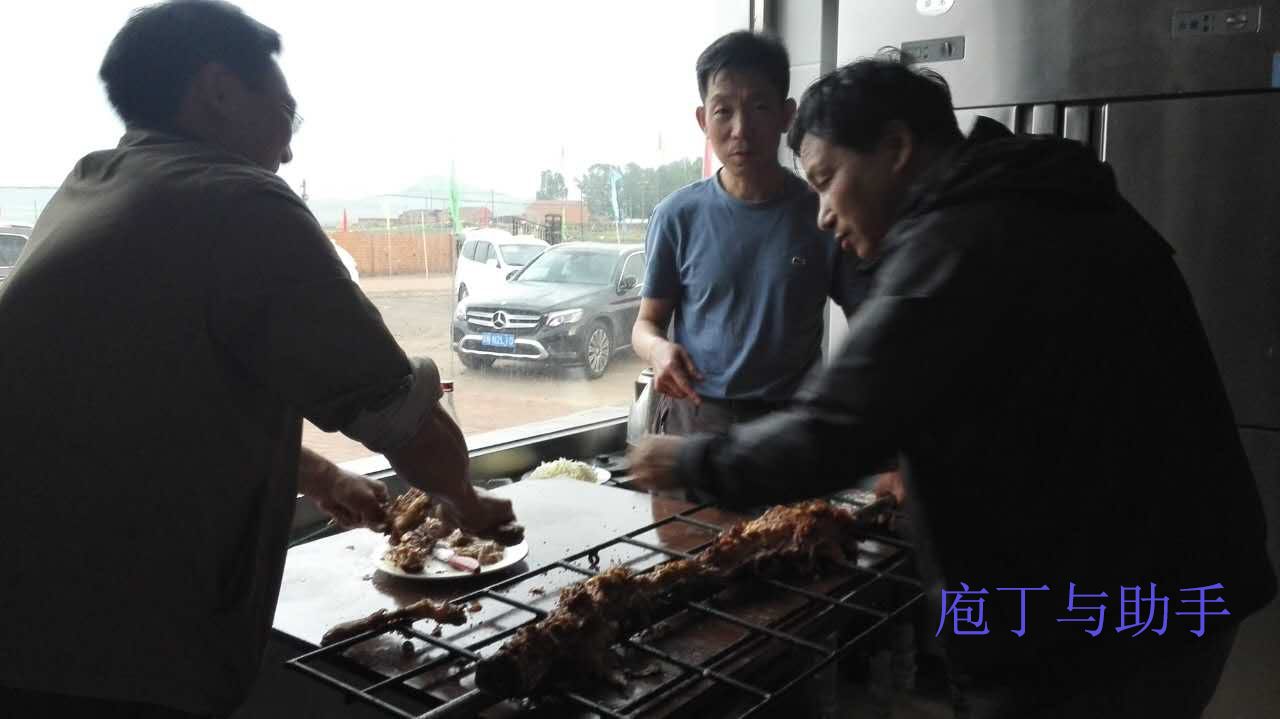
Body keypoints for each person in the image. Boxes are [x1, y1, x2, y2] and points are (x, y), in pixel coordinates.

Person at [631, 57, 1276, 717]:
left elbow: (836, 425)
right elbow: (1013, 383)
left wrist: (683, 459)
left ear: (897, 150)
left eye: (827, 180)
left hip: (1105, 619)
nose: (822, 214)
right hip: (1182, 580)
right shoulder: (1043, 193)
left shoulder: (959, 238)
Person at [0, 2, 515, 717]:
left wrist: (316, 472)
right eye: (286, 114)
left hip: (31, 629)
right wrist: (468, 500)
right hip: (123, 654)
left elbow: (153, 400)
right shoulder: (240, 203)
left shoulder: (94, 184)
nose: (290, 150)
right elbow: (404, 420)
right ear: (217, 91)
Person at [632, 30, 864, 439]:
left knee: (791, 509)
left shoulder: (823, 212)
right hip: (692, 420)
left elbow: (868, 323)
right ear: (703, 120)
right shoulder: (677, 215)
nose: (741, 129)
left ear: (786, 115)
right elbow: (646, 324)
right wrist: (658, 350)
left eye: (759, 106)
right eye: (723, 111)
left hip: (789, 426)